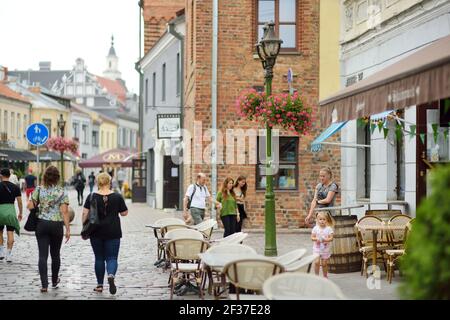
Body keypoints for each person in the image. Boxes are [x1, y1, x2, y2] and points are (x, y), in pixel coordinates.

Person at [82, 172, 128, 295]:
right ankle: (111, 275)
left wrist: (84, 227)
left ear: (97, 182)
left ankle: (100, 285)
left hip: (96, 232)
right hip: (113, 231)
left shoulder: (91, 196)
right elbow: (124, 213)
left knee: (99, 258)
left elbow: (85, 214)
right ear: (109, 182)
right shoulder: (117, 196)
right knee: (112, 257)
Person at [27, 166, 70, 292]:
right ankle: (55, 281)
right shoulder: (62, 191)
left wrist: (37, 203)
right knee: (55, 254)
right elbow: (65, 211)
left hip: (42, 224)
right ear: (57, 177)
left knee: (42, 255)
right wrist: (67, 229)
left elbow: (30, 206)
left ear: (45, 177)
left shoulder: (39, 189)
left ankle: (44, 284)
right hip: (56, 225)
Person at [0, 168, 23, 262]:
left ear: (1, 175)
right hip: (10, 211)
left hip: (0, 211)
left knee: (0, 232)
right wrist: (20, 213)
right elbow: (20, 202)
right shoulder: (15, 187)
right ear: (9, 176)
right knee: (10, 233)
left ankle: (1, 251)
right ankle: (8, 255)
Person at [311, 212, 334, 278]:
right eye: (320, 219)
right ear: (317, 220)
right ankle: (316, 276)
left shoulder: (329, 229)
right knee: (316, 262)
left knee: (324, 264)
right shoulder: (315, 228)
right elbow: (312, 237)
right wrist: (317, 239)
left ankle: (325, 276)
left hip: (325, 249)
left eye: (324, 219)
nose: (322, 221)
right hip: (317, 249)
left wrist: (325, 240)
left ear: (326, 220)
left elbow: (331, 238)